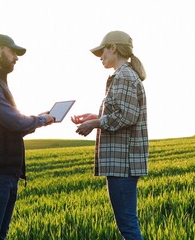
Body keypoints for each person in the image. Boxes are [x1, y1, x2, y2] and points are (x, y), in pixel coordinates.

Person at [0, 34, 54, 240]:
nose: (16, 57)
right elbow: (14, 122)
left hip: (6, 171)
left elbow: (13, 125)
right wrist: (40, 120)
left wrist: (39, 119)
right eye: (12, 51)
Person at [71, 30, 148, 240]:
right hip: (122, 163)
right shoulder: (123, 75)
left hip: (122, 164)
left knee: (128, 227)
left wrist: (95, 123)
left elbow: (127, 116)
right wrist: (95, 116)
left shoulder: (124, 76)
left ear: (113, 48)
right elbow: (121, 113)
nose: (101, 57)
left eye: (102, 52)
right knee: (128, 225)